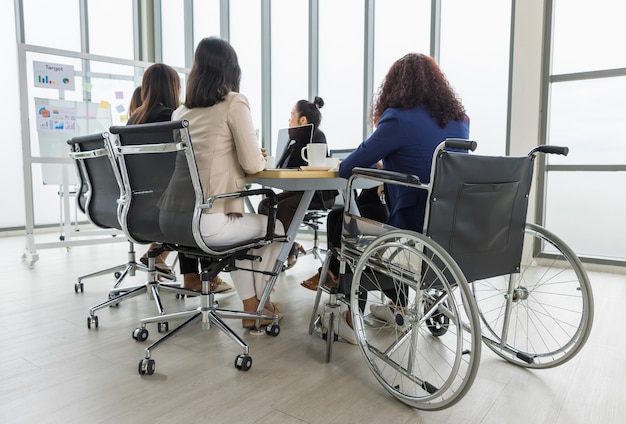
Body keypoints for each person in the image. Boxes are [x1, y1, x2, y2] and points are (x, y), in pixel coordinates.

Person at [302, 53, 470, 343]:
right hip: (450, 231)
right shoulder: (460, 121)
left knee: (340, 218)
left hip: (410, 231)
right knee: (368, 206)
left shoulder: (398, 119)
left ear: (396, 86)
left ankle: (349, 320)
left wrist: (382, 160)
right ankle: (398, 306)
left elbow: (347, 167)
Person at [160, 37, 285, 327]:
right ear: (232, 71)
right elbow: (253, 164)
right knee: (275, 228)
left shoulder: (180, 113)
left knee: (243, 232)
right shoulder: (233, 102)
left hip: (172, 222)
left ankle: (252, 308)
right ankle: (259, 305)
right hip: (208, 220)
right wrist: (257, 156)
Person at [129, 63, 232, 294]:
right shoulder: (171, 117)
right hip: (170, 206)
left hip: (138, 206)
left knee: (188, 196)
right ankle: (199, 279)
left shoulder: (133, 120)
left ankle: (175, 265)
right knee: (198, 198)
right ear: (173, 88)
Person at [257, 97, 337, 269]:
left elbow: (308, 167)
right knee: (266, 204)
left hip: (319, 193)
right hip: (300, 191)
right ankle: (285, 247)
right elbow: (285, 167)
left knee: (284, 207)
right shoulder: (295, 142)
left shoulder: (316, 136)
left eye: (291, 115)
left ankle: (280, 255)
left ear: (302, 120)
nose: (288, 120)